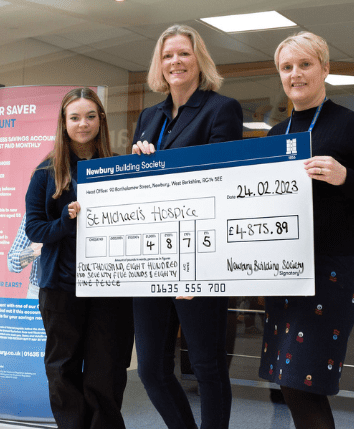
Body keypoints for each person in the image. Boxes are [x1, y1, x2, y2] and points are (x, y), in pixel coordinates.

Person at [258, 31, 354, 429]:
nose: (295, 74)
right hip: (284, 268)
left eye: (305, 64)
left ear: (325, 69)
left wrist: (344, 176)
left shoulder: (351, 126)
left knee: (305, 383)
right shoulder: (275, 134)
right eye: (287, 67)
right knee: (288, 382)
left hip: (332, 268)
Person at [132, 24, 243, 429]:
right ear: (158, 66)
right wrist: (138, 163)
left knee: (206, 366)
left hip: (200, 256)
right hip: (153, 257)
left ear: (200, 61)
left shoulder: (221, 109)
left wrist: (159, 162)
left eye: (183, 54)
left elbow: (220, 183)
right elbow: (141, 188)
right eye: (167, 56)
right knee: (150, 369)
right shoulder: (150, 116)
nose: (175, 62)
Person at [25, 87, 134, 429]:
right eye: (74, 117)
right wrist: (67, 221)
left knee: (107, 370)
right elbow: (35, 230)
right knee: (63, 370)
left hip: (110, 287)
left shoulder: (119, 167)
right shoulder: (45, 172)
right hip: (61, 287)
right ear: (63, 122)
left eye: (90, 116)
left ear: (101, 120)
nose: (83, 124)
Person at [7, 213, 41, 299]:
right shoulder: (35, 211)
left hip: (74, 290)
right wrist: (38, 247)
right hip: (38, 293)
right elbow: (11, 262)